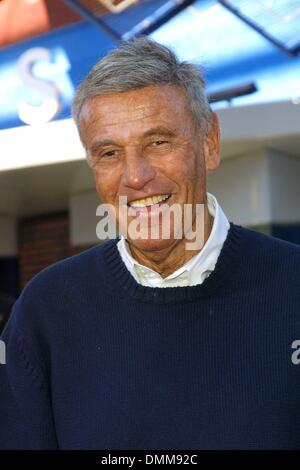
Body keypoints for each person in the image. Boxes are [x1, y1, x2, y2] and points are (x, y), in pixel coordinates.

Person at [1, 37, 300, 450]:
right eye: (109, 153)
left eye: (158, 142)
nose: (136, 176)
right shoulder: (47, 310)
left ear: (209, 142)